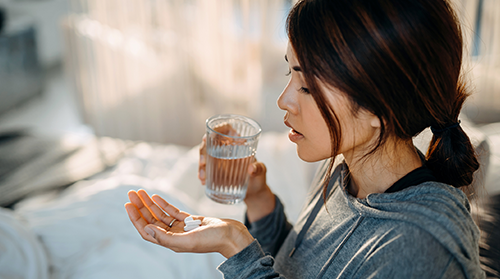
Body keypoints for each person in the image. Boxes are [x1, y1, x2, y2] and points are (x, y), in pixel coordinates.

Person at [125, 0, 486, 277]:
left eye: (307, 86)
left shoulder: (419, 250)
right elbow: (297, 266)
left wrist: (235, 245)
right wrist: (259, 199)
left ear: (380, 106)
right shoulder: (345, 170)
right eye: (289, 71)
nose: (284, 100)